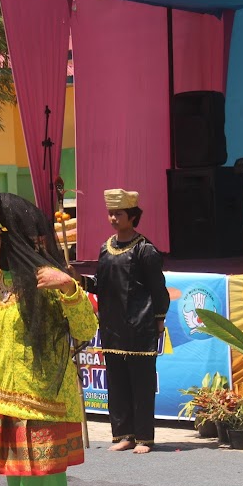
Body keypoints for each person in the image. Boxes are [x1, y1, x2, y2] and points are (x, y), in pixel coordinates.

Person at [0, 168, 97, 486]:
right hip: (10, 408)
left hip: (44, 408)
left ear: (3, 231)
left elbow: (85, 329)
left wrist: (69, 289)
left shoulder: (44, 279)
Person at [85, 188, 169, 454]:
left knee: (141, 384)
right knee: (118, 384)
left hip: (140, 325)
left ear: (132, 216)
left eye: (118, 213)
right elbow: (100, 284)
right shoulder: (105, 248)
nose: (113, 218)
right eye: (110, 213)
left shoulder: (146, 251)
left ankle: (144, 437)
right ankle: (123, 434)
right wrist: (79, 280)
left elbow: (159, 289)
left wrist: (158, 321)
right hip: (112, 326)